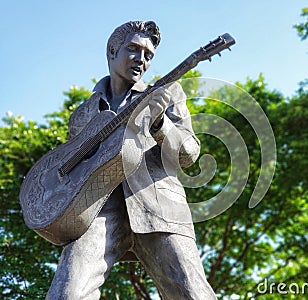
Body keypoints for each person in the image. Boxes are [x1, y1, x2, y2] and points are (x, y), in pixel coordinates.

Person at [46, 20, 216, 300]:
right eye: (134, 49)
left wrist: (161, 124)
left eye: (148, 55)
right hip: (96, 212)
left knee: (192, 294)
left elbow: (188, 153)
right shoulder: (83, 115)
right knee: (66, 294)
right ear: (112, 51)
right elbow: (72, 171)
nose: (142, 59)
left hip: (160, 209)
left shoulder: (168, 93)